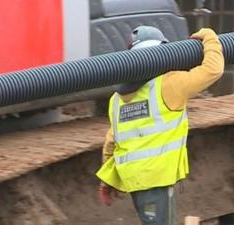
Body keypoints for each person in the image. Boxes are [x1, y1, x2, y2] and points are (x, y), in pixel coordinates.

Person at [96, 25, 224, 225]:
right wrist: (209, 36)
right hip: (156, 179)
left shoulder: (116, 100)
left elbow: (112, 142)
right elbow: (212, 70)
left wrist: (108, 180)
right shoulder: (169, 84)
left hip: (135, 181)